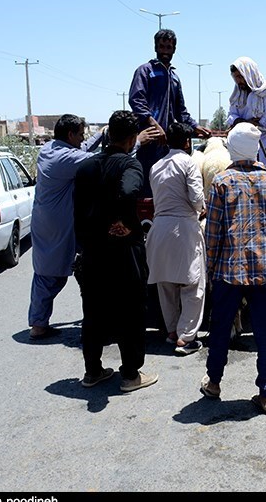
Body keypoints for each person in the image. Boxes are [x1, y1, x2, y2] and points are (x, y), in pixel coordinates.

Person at [199, 122, 266, 415]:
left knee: (221, 327)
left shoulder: (221, 183)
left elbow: (212, 232)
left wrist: (212, 266)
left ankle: (214, 383)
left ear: (233, 148)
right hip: (265, 272)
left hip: (229, 272)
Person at [73, 110, 158, 392]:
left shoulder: (85, 168)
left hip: (92, 252)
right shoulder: (130, 166)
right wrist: (120, 220)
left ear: (109, 134)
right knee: (131, 311)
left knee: (94, 311)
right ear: (133, 138)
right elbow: (128, 191)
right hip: (124, 252)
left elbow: (77, 213)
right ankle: (131, 374)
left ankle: (92, 370)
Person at [27, 114, 94, 340]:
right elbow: (98, 160)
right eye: (80, 135)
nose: (83, 139)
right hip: (57, 224)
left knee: (44, 271)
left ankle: (38, 321)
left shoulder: (48, 149)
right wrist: (134, 141)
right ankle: (38, 324)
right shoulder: (66, 158)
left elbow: (83, 148)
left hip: (43, 220)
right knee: (51, 275)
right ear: (70, 135)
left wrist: (99, 136)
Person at [146, 122, 206, 355]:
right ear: (188, 142)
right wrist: (200, 207)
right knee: (192, 284)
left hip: (159, 228)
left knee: (167, 284)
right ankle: (186, 337)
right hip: (183, 229)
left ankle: (172, 331)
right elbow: (196, 197)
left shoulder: (156, 166)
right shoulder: (189, 162)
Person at [128, 28, 212, 198]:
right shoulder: (145, 71)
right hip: (149, 138)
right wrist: (154, 124)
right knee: (146, 185)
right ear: (155, 48)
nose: (165, 51)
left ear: (174, 49)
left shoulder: (174, 78)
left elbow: (181, 111)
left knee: (166, 185)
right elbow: (136, 100)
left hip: (167, 142)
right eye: (162, 47)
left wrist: (196, 128)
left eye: (169, 47)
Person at [227, 57, 266, 167]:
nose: (238, 81)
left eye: (241, 77)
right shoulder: (237, 94)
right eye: (235, 78)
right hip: (241, 142)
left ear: (249, 74)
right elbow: (231, 114)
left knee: (264, 171)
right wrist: (241, 121)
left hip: (264, 141)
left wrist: (244, 124)